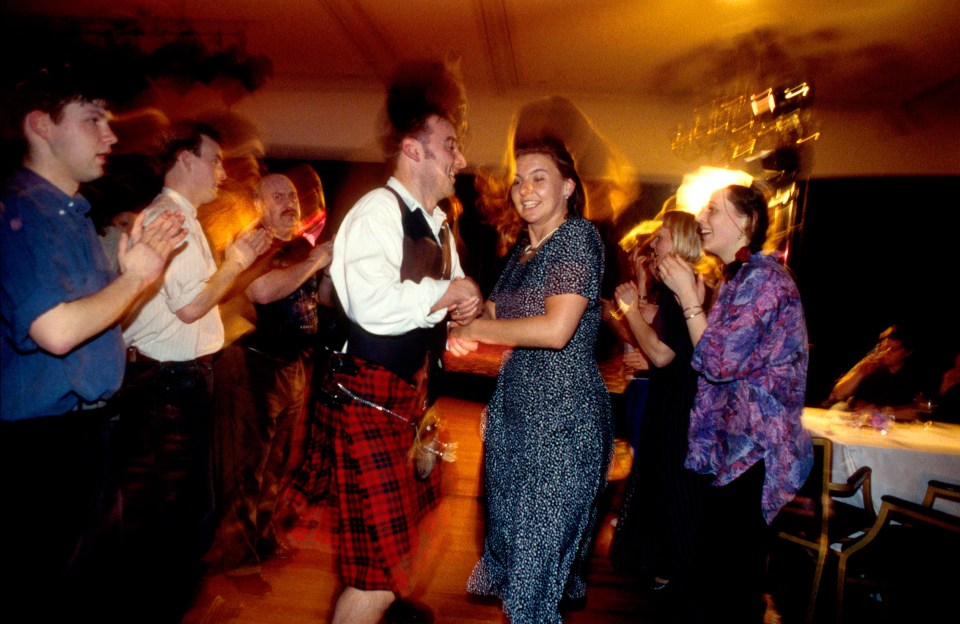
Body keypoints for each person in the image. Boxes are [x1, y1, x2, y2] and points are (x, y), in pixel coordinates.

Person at [0, 66, 186, 622]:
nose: (110, 135)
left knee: (88, 591)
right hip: (41, 448)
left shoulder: (72, 214)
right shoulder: (19, 213)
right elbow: (56, 332)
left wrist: (132, 278)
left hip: (86, 435)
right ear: (41, 125)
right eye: (93, 119)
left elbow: (91, 323)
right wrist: (136, 279)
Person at [319, 59, 481, 624]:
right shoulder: (376, 212)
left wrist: (461, 316)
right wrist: (446, 294)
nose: (460, 159)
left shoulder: (438, 225)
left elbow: (449, 304)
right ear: (413, 150)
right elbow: (372, 306)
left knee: (394, 558)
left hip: (404, 401)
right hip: (366, 398)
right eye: (450, 145)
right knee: (378, 576)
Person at [448, 137, 613, 624]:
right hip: (518, 422)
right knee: (522, 563)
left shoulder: (578, 238)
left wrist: (474, 328)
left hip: (561, 426)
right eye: (519, 180)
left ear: (567, 187)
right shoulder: (525, 250)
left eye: (539, 178)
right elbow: (500, 309)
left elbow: (556, 329)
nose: (524, 189)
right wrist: (465, 307)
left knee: (534, 578)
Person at [119, 121, 271, 622]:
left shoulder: (184, 217)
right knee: (182, 516)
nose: (222, 172)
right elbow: (189, 310)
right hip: (169, 383)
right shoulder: (170, 219)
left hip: (180, 380)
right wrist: (233, 263)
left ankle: (174, 603)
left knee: (185, 513)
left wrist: (238, 263)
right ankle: (166, 607)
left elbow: (201, 303)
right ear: (184, 159)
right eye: (215, 159)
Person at [657, 184, 812, 623]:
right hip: (735, 449)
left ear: (746, 223)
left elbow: (718, 361)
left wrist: (689, 296)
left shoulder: (765, 280)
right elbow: (712, 361)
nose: (701, 217)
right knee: (717, 579)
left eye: (713, 210)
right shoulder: (739, 278)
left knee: (729, 585)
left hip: (757, 453)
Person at [213, 173, 334, 595]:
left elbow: (313, 300)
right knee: (245, 467)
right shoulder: (254, 244)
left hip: (291, 366)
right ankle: (239, 558)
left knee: (276, 464)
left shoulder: (300, 246)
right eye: (277, 195)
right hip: (251, 364)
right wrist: (318, 261)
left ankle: (262, 539)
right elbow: (263, 291)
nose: (289, 202)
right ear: (259, 205)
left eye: (292, 196)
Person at [609, 210, 714, 616]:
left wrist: (629, 307)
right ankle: (668, 574)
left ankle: (685, 589)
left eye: (663, 238)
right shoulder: (676, 289)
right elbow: (655, 339)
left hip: (682, 412)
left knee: (678, 493)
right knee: (665, 488)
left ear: (684, 240)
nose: (655, 244)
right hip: (669, 404)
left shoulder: (687, 288)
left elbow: (660, 353)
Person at [827, 324, 924, 422]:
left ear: (908, 352)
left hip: (891, 424)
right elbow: (837, 395)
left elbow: (916, 412)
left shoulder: (914, 375)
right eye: (884, 347)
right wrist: (860, 373)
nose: (886, 352)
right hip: (857, 419)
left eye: (893, 349)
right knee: (838, 409)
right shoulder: (870, 363)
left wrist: (877, 411)